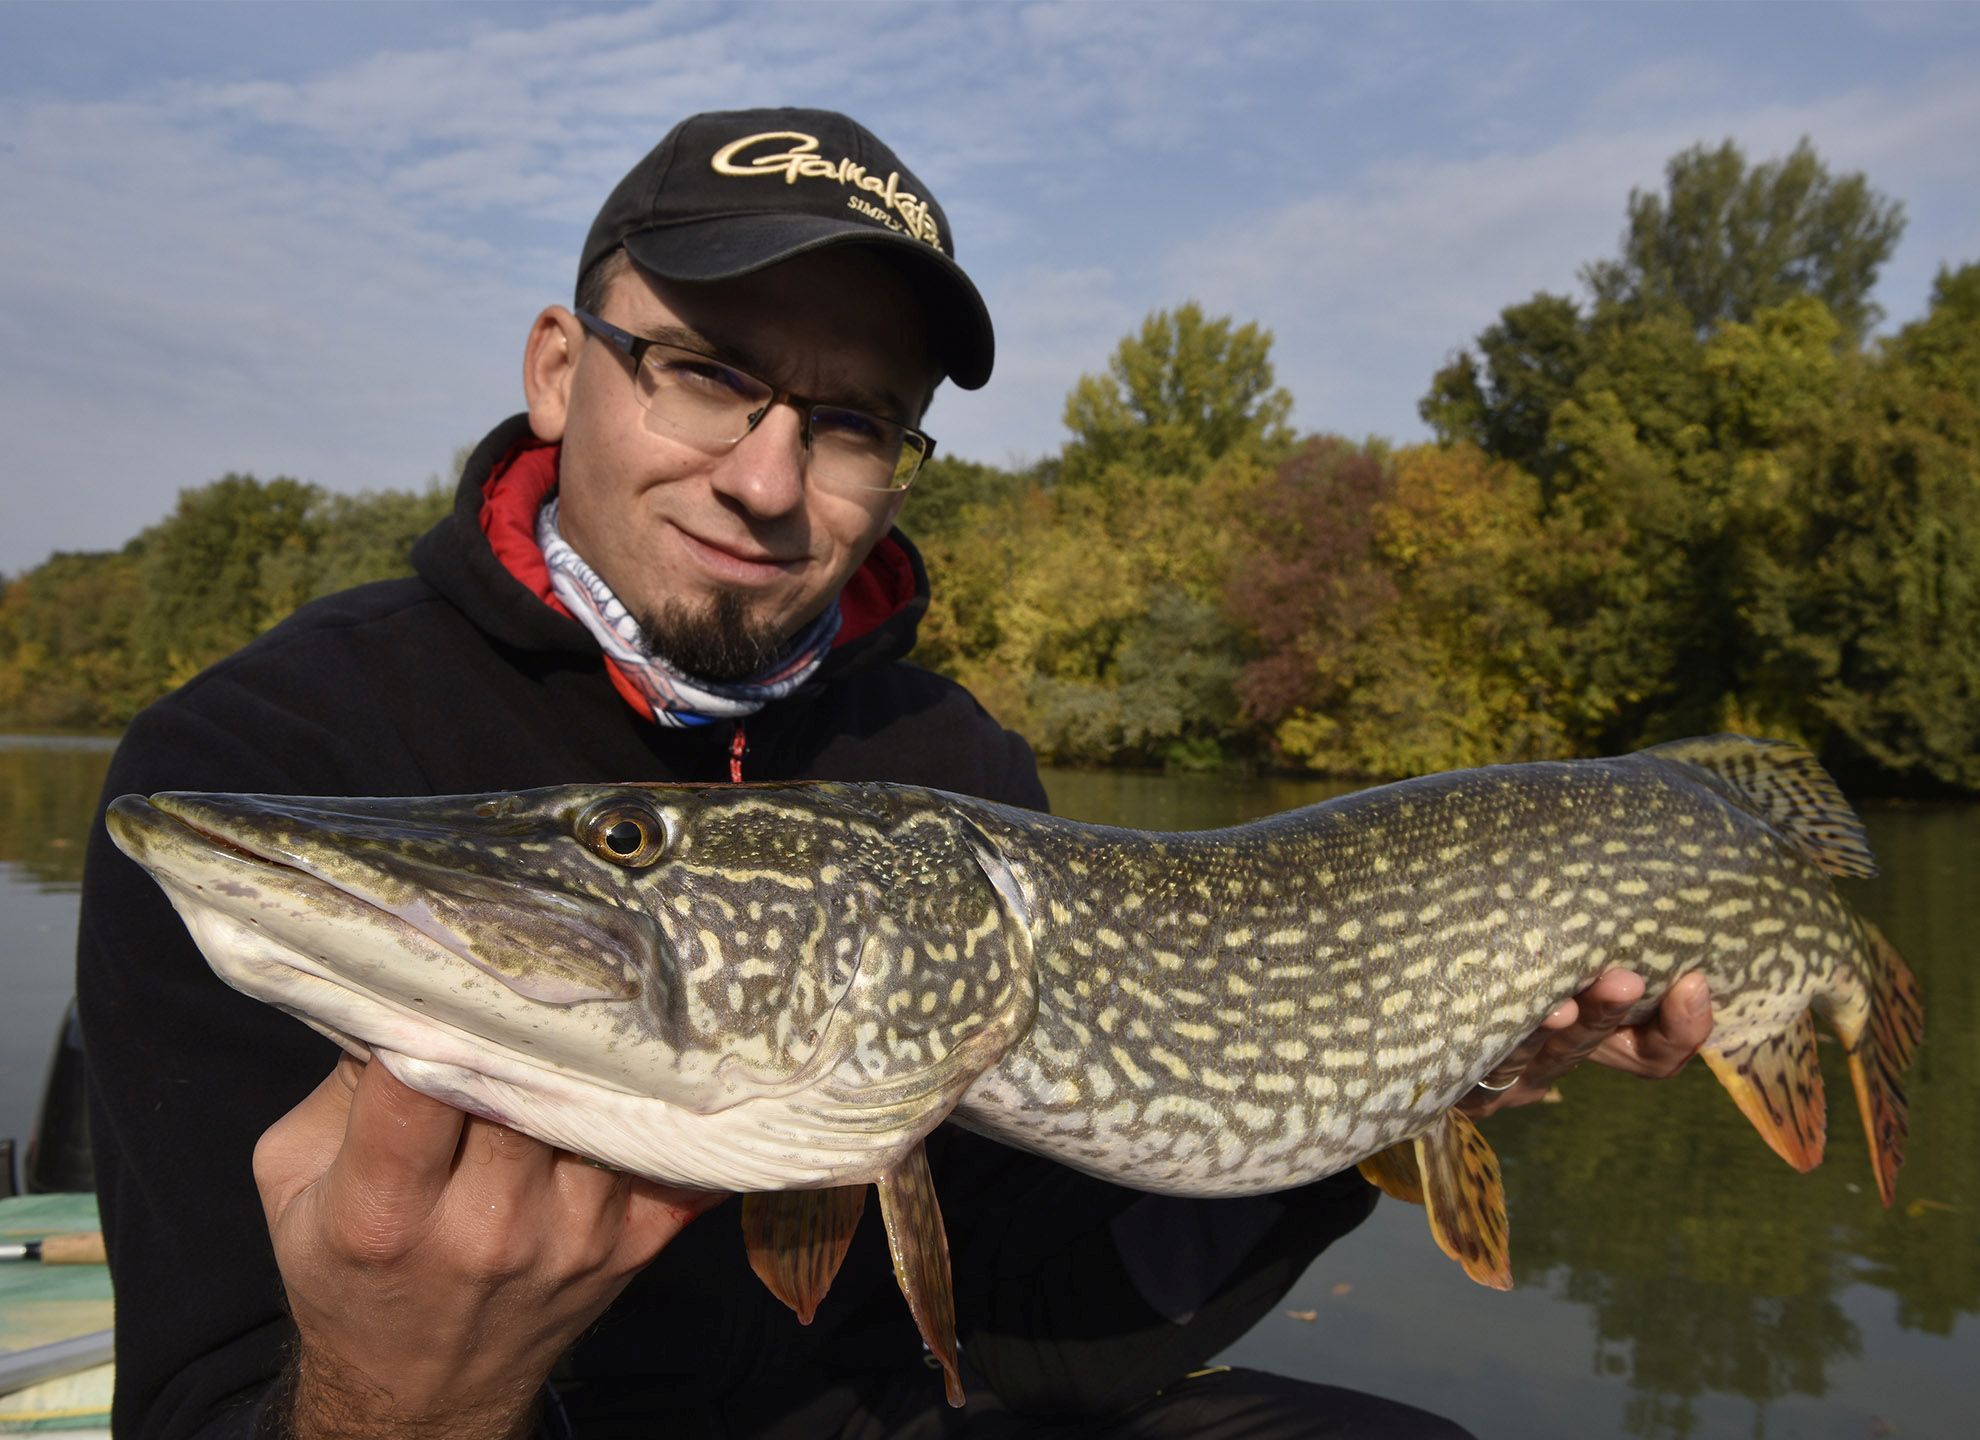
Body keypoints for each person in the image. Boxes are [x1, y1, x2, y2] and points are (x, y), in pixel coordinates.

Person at [76, 108, 1712, 1440]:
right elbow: (207, 1402)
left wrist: (1410, 1075)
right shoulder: (266, 756)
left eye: (852, 421)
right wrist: (401, 1403)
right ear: (563, 370)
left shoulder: (945, 768)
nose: (768, 476)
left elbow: (1046, 1339)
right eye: (708, 370)